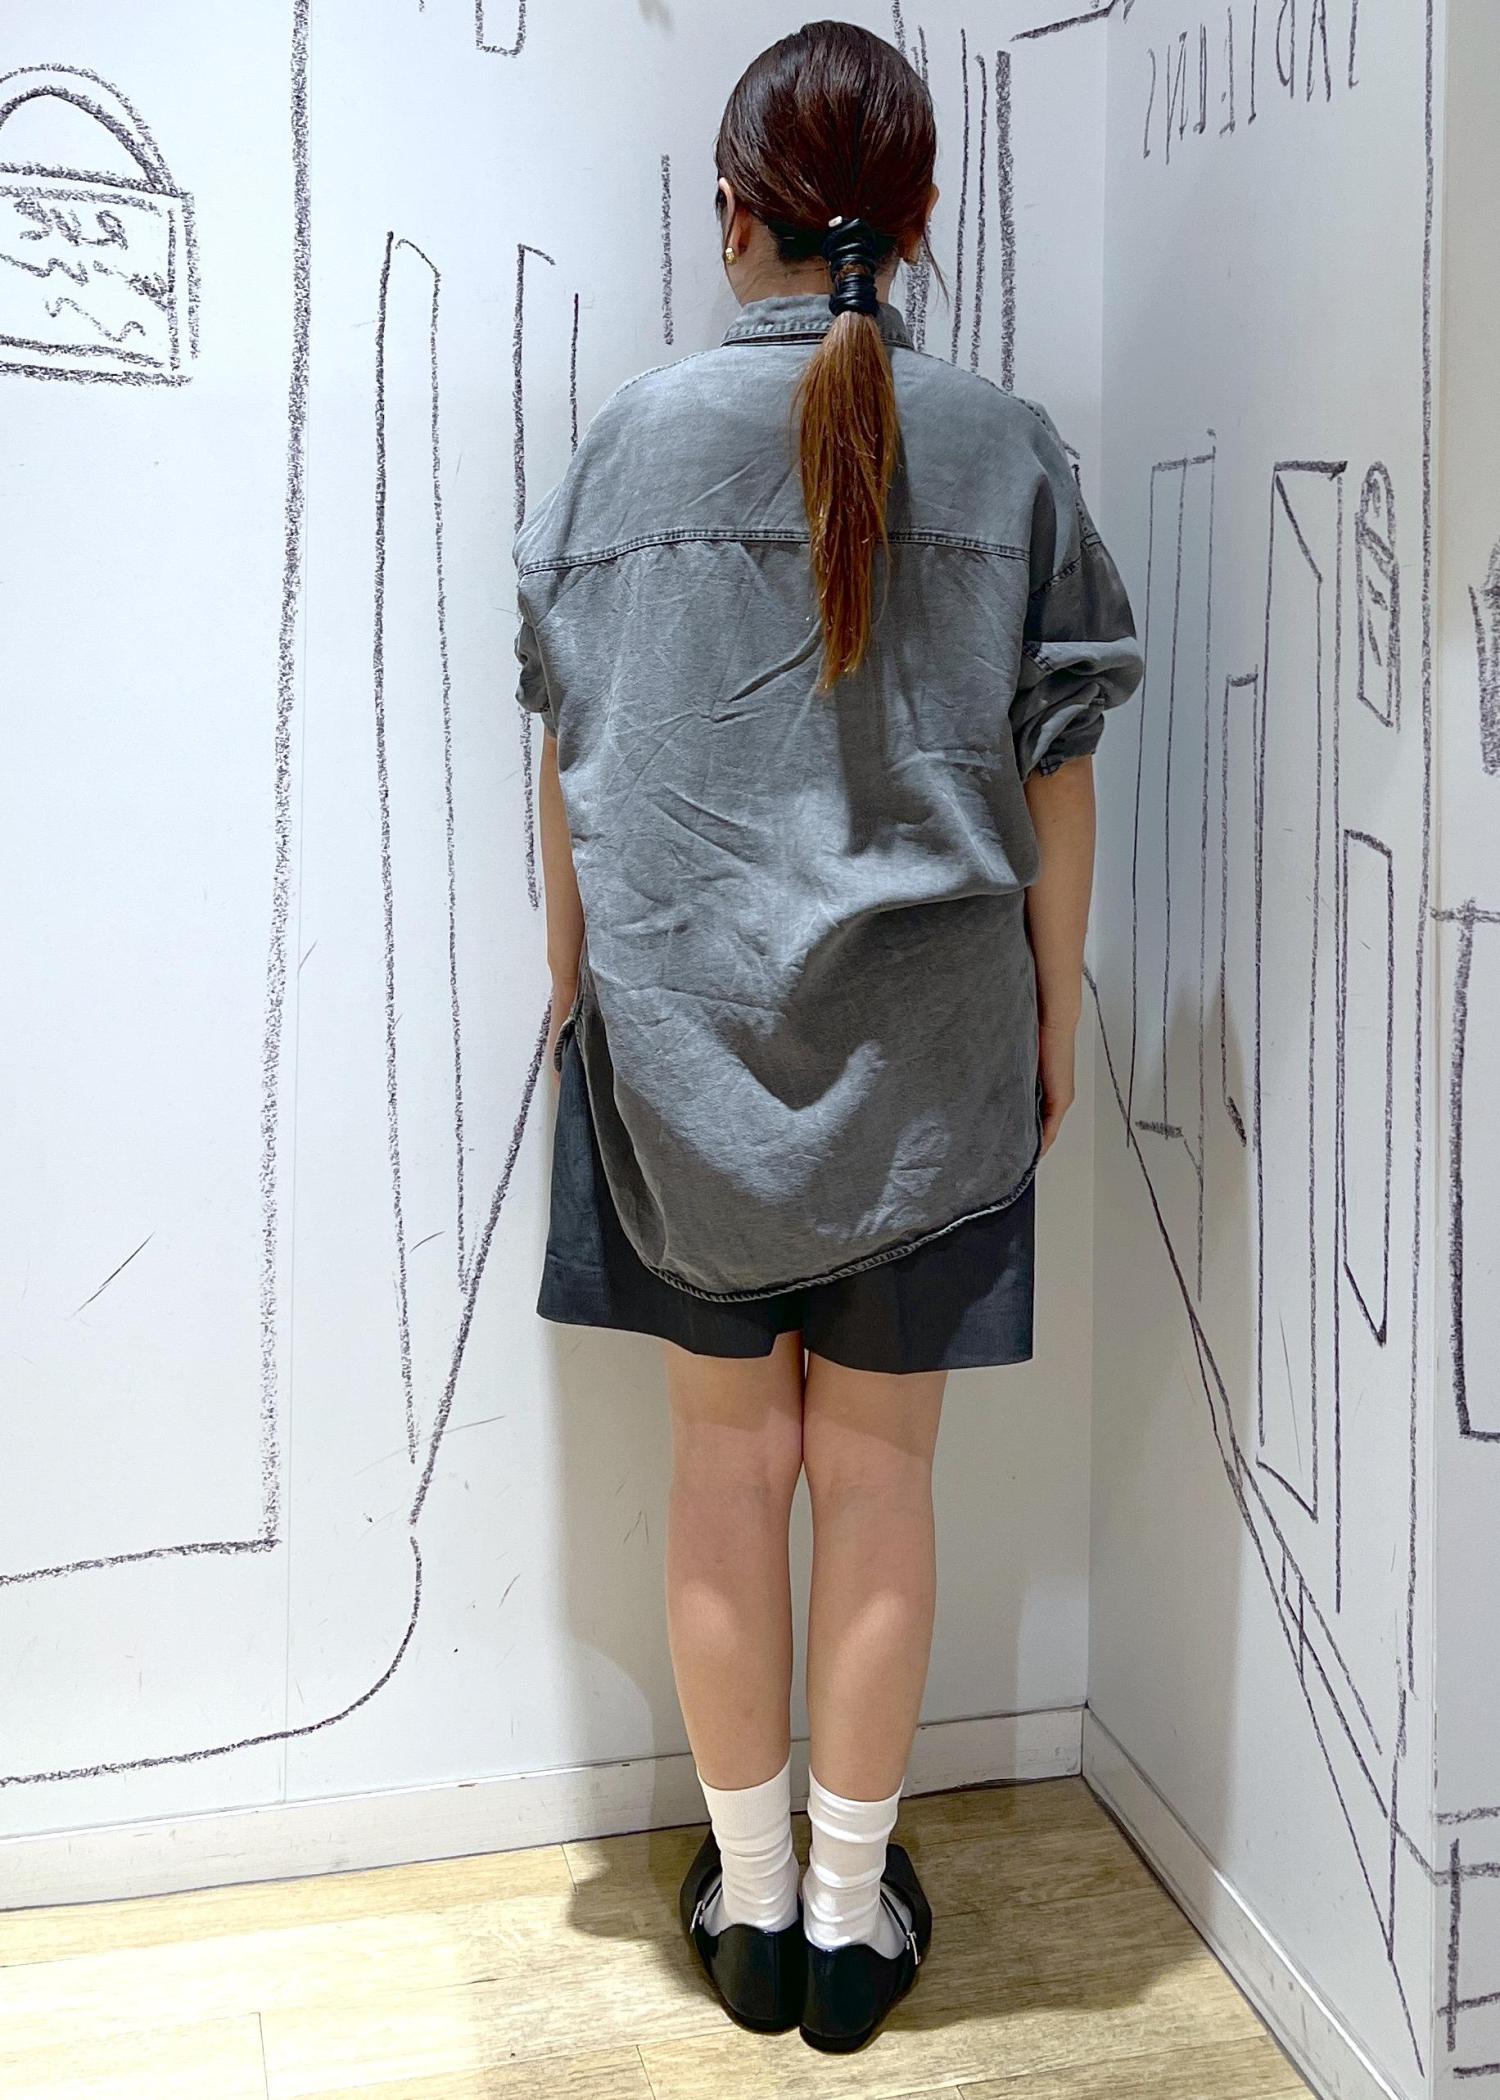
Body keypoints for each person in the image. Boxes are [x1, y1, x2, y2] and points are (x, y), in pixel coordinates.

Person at [511, 19, 1143, 2056]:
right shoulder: (1007, 446)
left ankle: (755, 1905)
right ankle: (854, 1930)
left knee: (726, 1475)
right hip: (933, 1071)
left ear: (732, 215)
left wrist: (576, 993)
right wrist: (1053, 1014)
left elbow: (570, 761)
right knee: (878, 1483)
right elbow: (1060, 772)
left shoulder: (627, 446)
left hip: (682, 1068)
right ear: (924, 212)